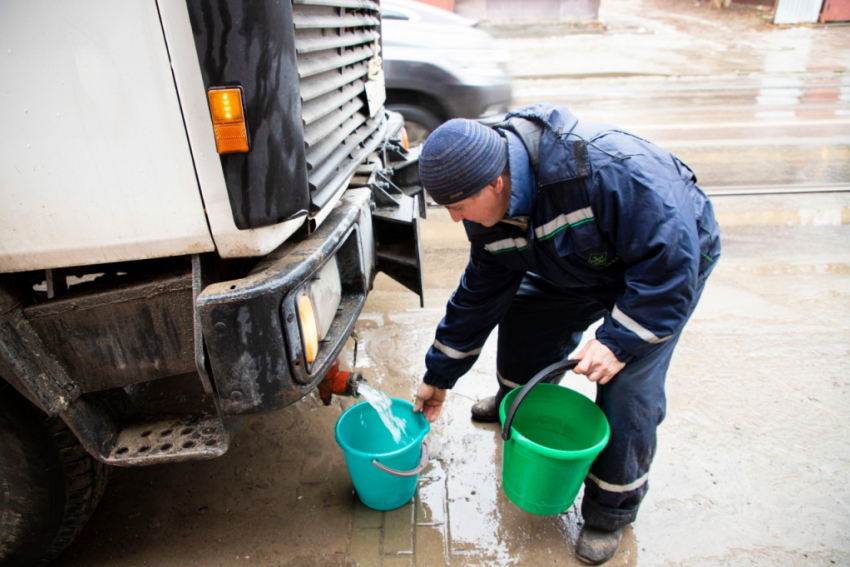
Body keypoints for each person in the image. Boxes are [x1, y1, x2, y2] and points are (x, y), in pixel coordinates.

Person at [411, 104, 720, 565]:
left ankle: (609, 511)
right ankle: (520, 406)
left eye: (458, 206)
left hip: (662, 270)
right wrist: (439, 375)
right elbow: (479, 296)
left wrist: (619, 341)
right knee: (525, 322)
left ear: (495, 182)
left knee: (627, 388)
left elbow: (671, 264)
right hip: (573, 260)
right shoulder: (487, 214)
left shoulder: (605, 171)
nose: (456, 220)